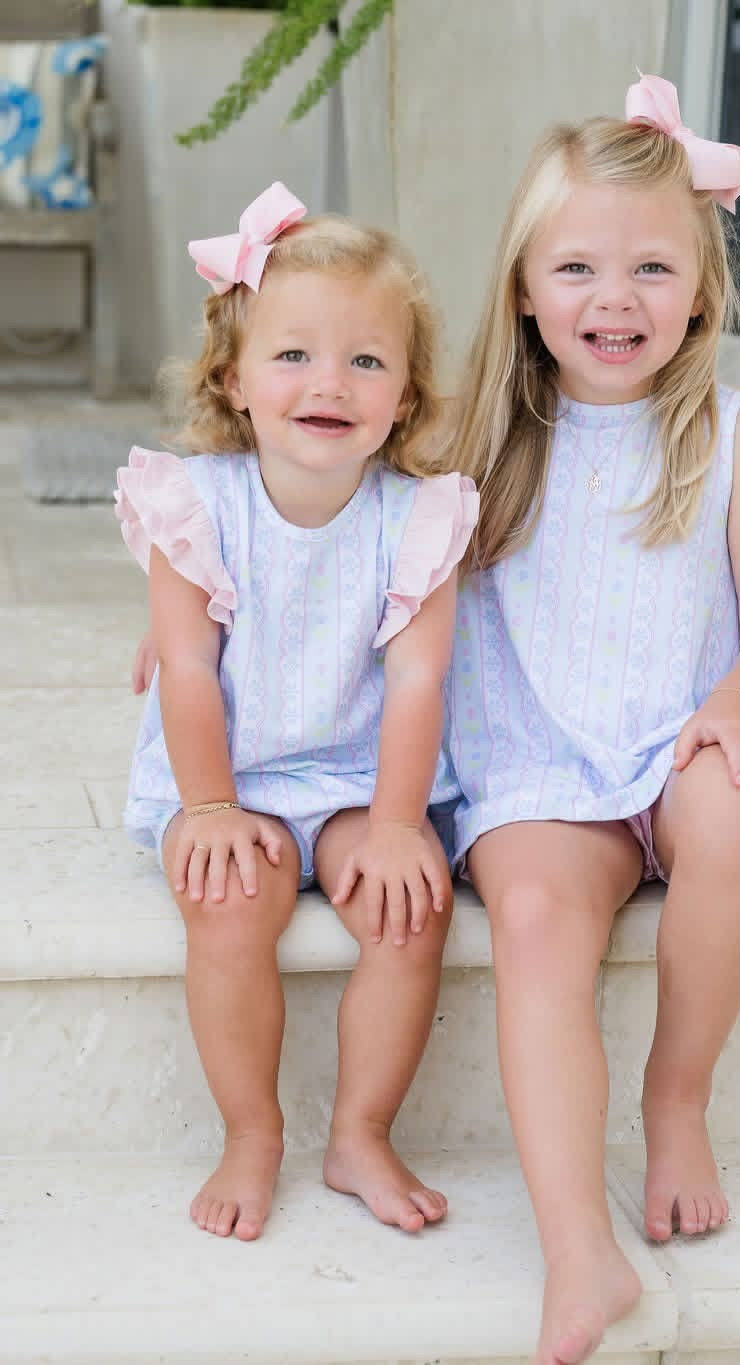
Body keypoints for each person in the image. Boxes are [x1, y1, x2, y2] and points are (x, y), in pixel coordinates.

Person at [441, 76, 740, 1364]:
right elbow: (347, 547)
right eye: (579, 268)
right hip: (539, 763)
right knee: (537, 921)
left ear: (702, 292)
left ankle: (677, 1099)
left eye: (653, 267)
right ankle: (575, 1251)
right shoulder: (473, 439)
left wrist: (739, 703)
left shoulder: (734, 435)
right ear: (522, 290)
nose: (617, 298)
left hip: (681, 737)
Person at [115, 183, 478, 1243]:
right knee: (229, 906)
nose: (329, 382)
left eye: (366, 360)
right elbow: (187, 671)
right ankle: (252, 1131)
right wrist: (211, 809)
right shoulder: (195, 506)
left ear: (404, 396)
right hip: (228, 778)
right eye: (292, 355)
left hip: (363, 783)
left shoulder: (418, 519)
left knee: (411, 910)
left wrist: (401, 825)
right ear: (234, 380)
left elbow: (418, 683)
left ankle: (361, 1131)